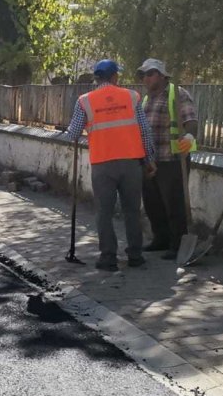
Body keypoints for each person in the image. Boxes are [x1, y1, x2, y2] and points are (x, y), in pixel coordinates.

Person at [65, 59, 158, 271]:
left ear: (97, 78)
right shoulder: (132, 97)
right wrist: (149, 159)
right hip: (131, 164)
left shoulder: (84, 101)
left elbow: (74, 133)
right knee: (132, 211)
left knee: (104, 212)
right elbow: (144, 131)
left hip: (102, 165)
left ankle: (108, 258)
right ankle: (135, 255)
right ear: (115, 76)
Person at [137, 58, 199, 260]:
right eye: (143, 75)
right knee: (152, 203)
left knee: (174, 203)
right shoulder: (146, 99)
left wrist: (189, 137)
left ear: (162, 75)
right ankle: (160, 238)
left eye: (150, 74)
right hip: (151, 160)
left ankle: (177, 243)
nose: (146, 78)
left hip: (173, 159)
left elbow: (191, 120)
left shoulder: (178, 94)